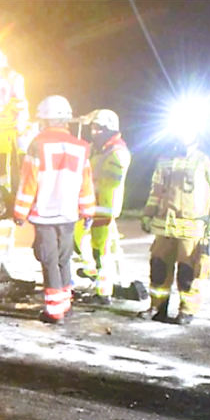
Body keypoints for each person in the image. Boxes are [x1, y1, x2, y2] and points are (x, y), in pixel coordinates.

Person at [137, 124, 210, 325]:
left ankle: (187, 310)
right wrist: (148, 214)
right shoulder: (165, 157)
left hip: (192, 226)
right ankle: (157, 307)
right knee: (158, 268)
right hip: (165, 224)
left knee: (188, 271)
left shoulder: (208, 157)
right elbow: (156, 190)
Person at [13, 95, 96, 325]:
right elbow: (86, 183)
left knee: (49, 261)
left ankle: (54, 311)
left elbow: (28, 182)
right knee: (64, 259)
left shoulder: (37, 145)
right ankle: (65, 305)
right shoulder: (81, 147)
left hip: (44, 214)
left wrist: (20, 213)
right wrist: (88, 211)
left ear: (46, 120)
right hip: (69, 214)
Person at [75, 109, 132, 305]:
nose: (95, 132)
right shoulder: (96, 148)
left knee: (101, 250)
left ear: (110, 130)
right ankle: (91, 271)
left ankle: (103, 293)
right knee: (78, 239)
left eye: (99, 129)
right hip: (91, 204)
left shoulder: (118, 152)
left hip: (104, 206)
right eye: (93, 128)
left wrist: (88, 185)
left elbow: (111, 181)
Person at [0, 44, 29, 195]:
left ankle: (24, 190)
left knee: (21, 159)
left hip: (17, 125)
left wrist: (20, 124)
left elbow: (19, 103)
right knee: (1, 160)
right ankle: (5, 191)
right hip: (0, 126)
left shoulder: (15, 78)